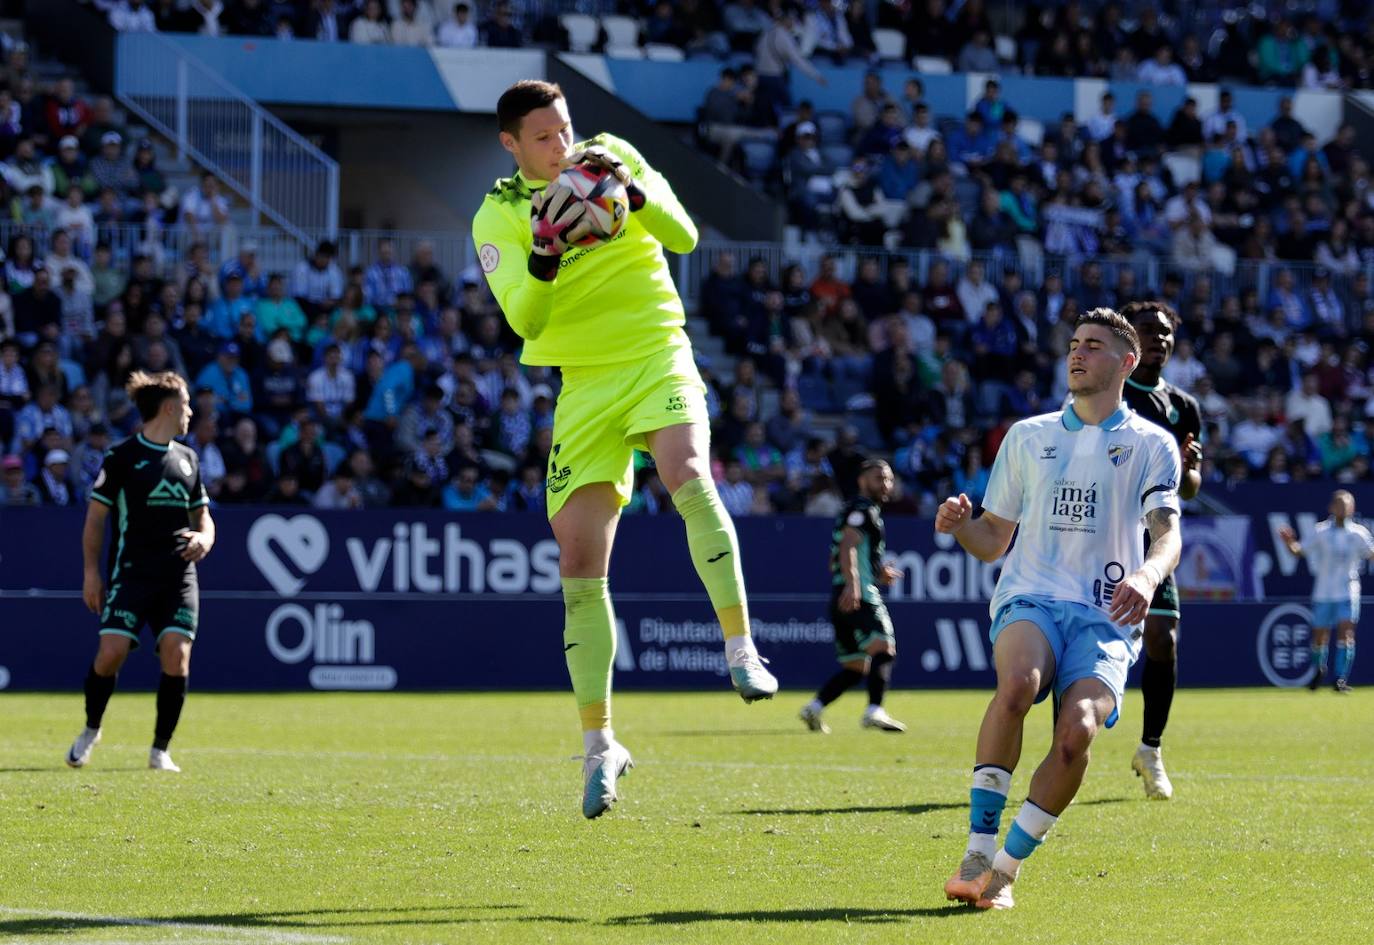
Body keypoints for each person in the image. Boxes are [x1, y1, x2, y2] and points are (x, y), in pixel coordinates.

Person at [471, 80, 777, 819]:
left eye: (565, 128)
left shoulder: (613, 156)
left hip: (655, 354)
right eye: (542, 137)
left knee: (690, 475)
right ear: (511, 144)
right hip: (583, 385)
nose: (562, 144)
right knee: (579, 564)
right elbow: (525, 319)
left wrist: (634, 192)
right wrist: (546, 251)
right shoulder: (498, 213)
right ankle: (601, 743)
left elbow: (685, 236)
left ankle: (740, 647)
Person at [935, 309, 1182, 910]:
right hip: (1033, 595)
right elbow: (995, 539)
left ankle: (1005, 869)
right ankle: (976, 846)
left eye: (1093, 346)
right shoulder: (1028, 435)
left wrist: (1149, 576)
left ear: (1126, 362)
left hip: (1105, 615)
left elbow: (1168, 534)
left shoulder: (1154, 444)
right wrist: (961, 526)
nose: (1078, 354)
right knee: (1017, 684)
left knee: (1077, 734)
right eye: (1074, 344)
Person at [66, 371, 214, 774]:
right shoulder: (122, 457)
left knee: (176, 655)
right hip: (131, 575)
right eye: (186, 404)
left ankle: (159, 750)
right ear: (169, 407)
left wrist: (204, 540)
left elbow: (204, 518)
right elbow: (95, 519)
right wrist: (91, 575)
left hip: (178, 577)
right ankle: (92, 728)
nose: (189, 412)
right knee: (110, 654)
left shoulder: (188, 459)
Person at [1119, 302, 1203, 800]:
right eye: (1148, 330)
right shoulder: (1112, 390)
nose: (1160, 339)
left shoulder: (1184, 406)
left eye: (1167, 332)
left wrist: (1189, 467)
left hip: (1154, 537)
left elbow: (1188, 488)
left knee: (1163, 640)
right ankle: (1068, 741)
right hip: (1102, 530)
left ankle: (1150, 748)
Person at [800, 460, 906, 734]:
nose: (885, 484)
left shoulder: (856, 511)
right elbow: (848, 544)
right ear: (862, 480)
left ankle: (815, 708)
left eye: (889, 479)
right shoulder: (862, 509)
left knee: (855, 667)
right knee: (884, 648)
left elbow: (835, 555)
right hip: (858, 595)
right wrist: (854, 584)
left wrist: (877, 572)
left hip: (841, 595)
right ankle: (874, 710)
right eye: (878, 478)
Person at [1278, 490, 1374, 693]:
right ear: (1331, 507)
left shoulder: (1358, 533)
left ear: (1352, 508)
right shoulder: (1320, 531)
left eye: (1347, 504)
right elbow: (1299, 551)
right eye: (1339, 504)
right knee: (1320, 636)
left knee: (1346, 633)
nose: (1343, 508)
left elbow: (1371, 555)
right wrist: (1288, 542)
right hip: (1323, 592)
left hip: (1348, 591)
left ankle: (1340, 678)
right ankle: (1318, 670)